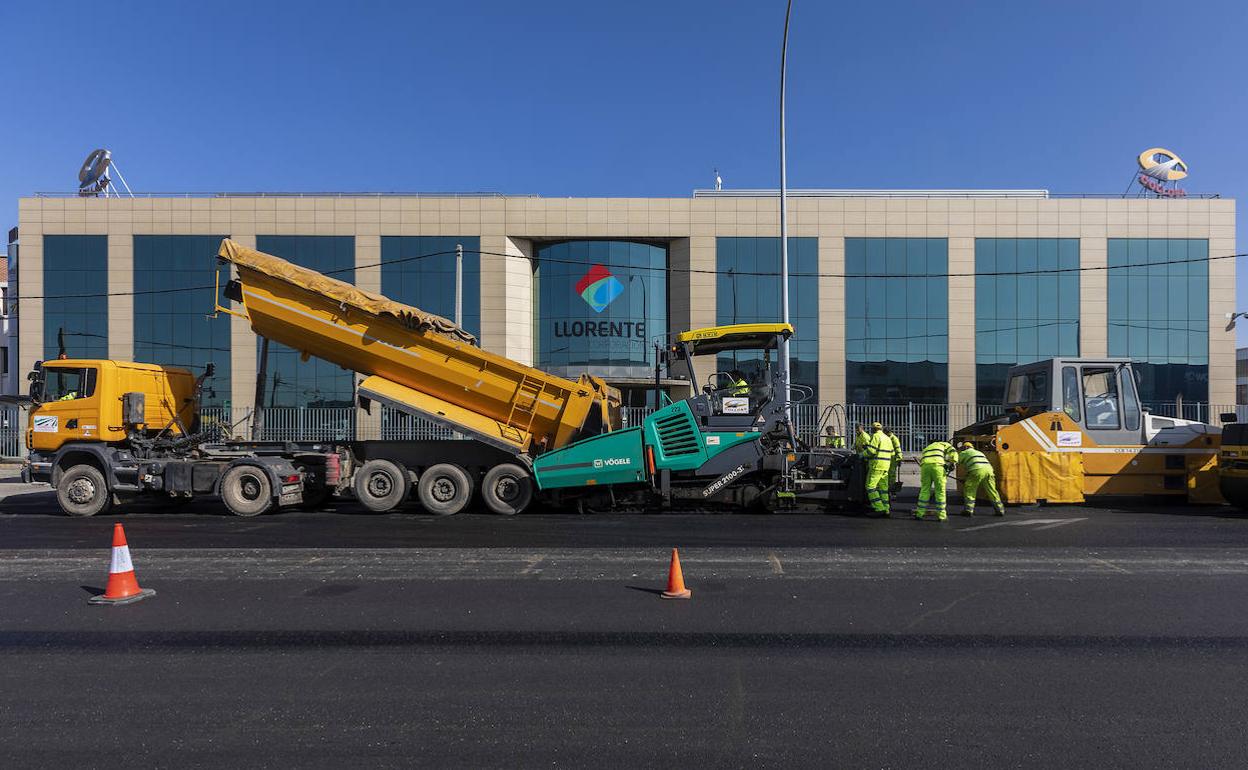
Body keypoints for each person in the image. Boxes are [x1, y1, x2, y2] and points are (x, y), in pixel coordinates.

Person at [957, 441, 1005, 517]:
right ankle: (1000, 509)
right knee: (992, 490)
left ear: (965, 447)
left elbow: (955, 461)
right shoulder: (979, 452)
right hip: (989, 471)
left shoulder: (964, 453)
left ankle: (968, 510)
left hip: (976, 470)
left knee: (970, 489)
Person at [915, 438, 957, 521]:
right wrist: (952, 462)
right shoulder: (944, 444)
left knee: (925, 489)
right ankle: (942, 516)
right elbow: (953, 452)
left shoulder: (927, 448)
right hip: (938, 466)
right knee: (940, 490)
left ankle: (919, 513)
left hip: (925, 466)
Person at [863, 422, 895, 518]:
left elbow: (871, 451)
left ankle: (879, 508)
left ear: (873, 429)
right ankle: (886, 509)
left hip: (876, 465)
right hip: (886, 466)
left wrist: (862, 455)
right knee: (883, 489)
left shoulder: (876, 436)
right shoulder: (887, 438)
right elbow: (892, 453)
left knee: (870, 487)